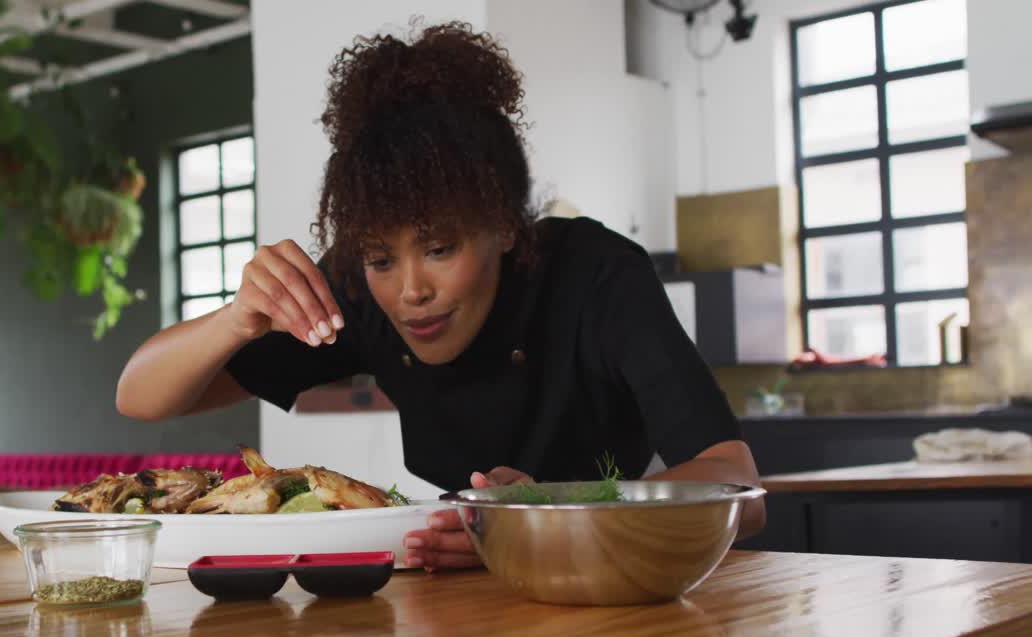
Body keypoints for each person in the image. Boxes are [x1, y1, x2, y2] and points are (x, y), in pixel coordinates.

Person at [116, 22, 764, 571]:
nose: (411, 292)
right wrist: (237, 318)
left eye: (441, 249)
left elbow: (738, 484)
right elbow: (140, 395)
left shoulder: (595, 276)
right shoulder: (360, 295)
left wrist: (550, 519)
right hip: (467, 609)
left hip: (623, 582)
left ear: (505, 225)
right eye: (379, 258)